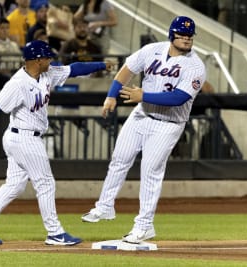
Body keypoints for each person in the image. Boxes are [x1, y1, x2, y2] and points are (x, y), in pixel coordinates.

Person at [0, 40, 113, 245]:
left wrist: (101, 65)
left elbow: (74, 69)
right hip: (24, 138)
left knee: (14, 185)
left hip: (22, 138)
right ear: (38, 60)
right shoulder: (18, 83)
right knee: (46, 183)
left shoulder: (47, 73)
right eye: (48, 57)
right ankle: (55, 232)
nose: (51, 59)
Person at [81, 16, 206, 244]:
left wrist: (142, 95)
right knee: (119, 159)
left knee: (150, 171)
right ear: (172, 34)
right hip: (141, 115)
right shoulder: (152, 50)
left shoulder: (196, 66)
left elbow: (180, 98)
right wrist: (110, 96)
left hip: (168, 124)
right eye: (182, 34)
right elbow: (126, 70)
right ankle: (104, 207)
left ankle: (144, 226)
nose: (187, 39)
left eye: (190, 35)